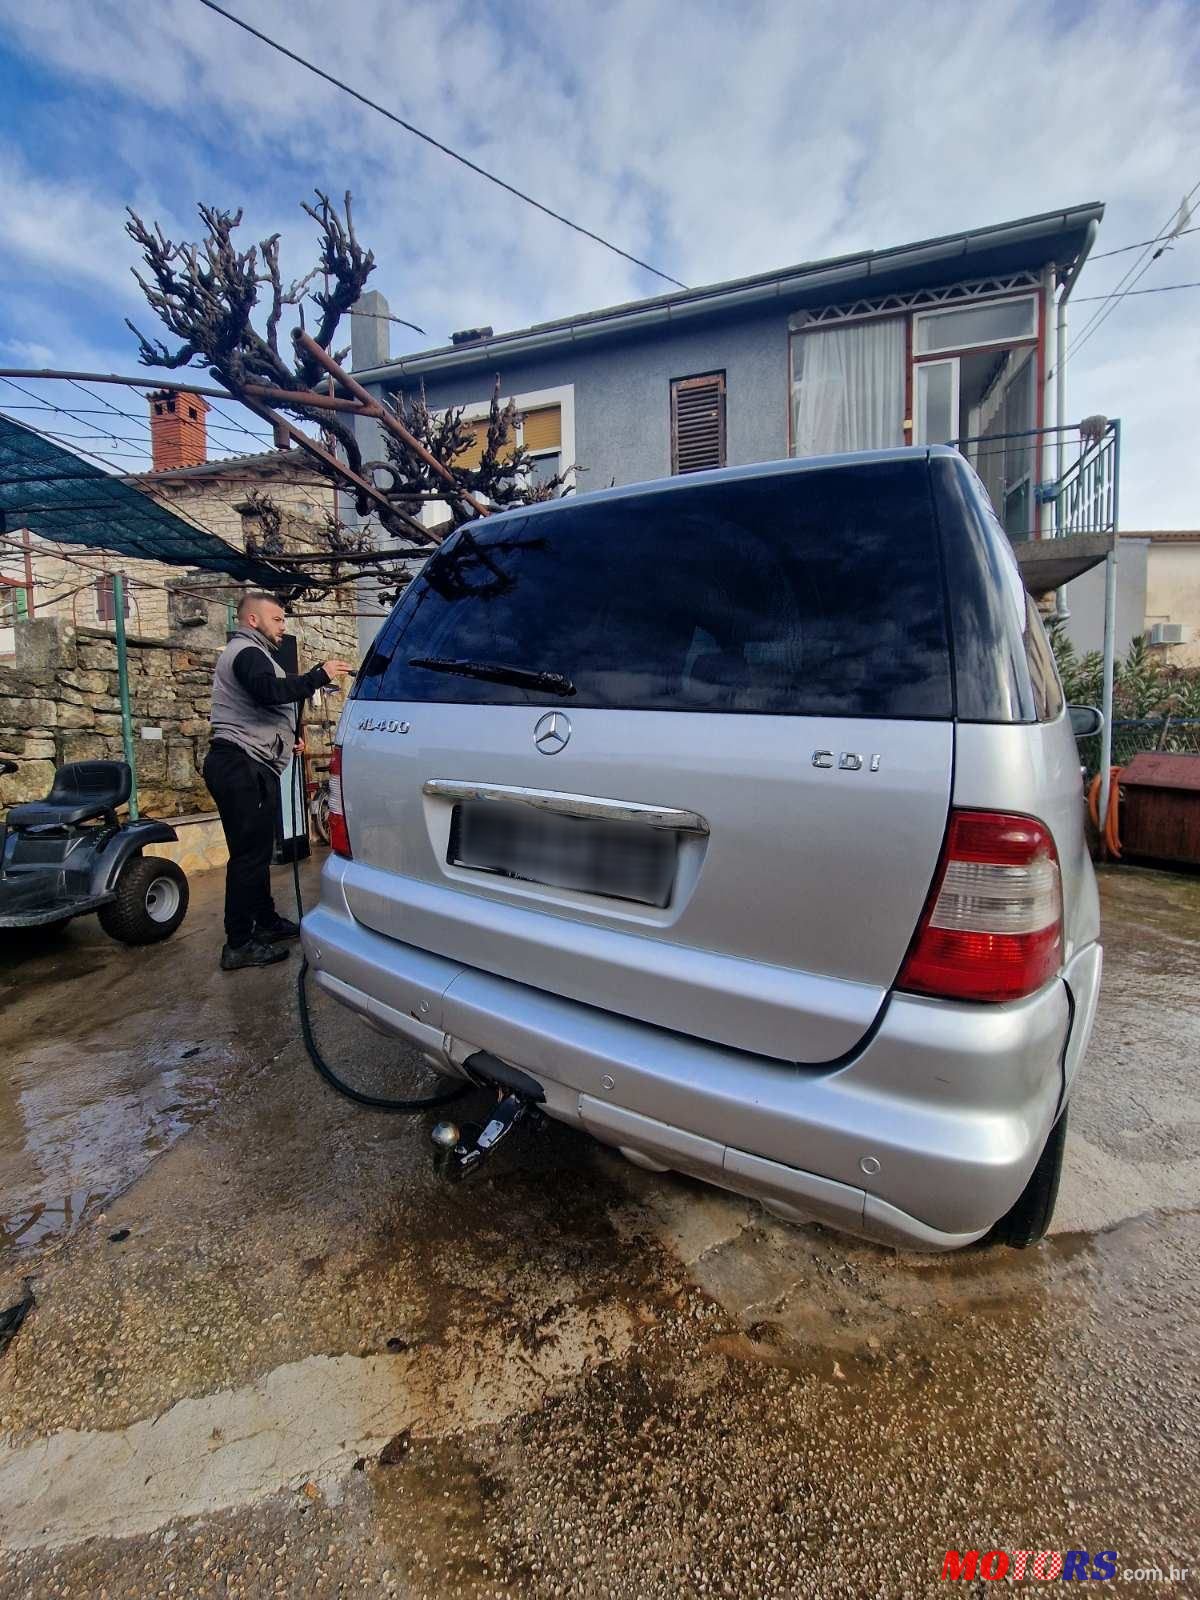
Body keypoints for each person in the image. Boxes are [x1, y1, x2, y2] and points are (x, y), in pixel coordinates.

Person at [203, 592, 353, 972]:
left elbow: (263, 704)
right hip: (239, 765)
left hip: (248, 764)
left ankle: (265, 922)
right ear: (253, 620)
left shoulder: (254, 655)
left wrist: (288, 740)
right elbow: (268, 691)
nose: (283, 626)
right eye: (277, 619)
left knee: (255, 853)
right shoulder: (247, 653)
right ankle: (238, 943)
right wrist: (318, 676)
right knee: (248, 857)